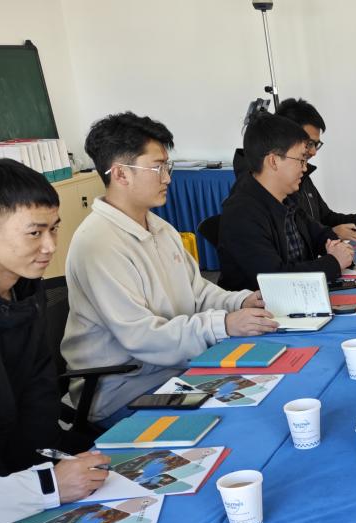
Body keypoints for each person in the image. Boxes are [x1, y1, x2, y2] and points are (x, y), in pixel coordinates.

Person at [62, 112, 278, 422]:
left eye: (167, 166)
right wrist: (223, 325)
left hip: (174, 368)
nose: (167, 178)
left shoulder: (160, 228)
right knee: (240, 417)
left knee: (268, 386)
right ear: (121, 174)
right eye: (157, 167)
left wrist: (241, 301)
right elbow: (142, 337)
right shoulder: (97, 244)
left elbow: (197, 292)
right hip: (124, 389)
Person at [0, 158, 109, 523]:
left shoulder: (26, 291)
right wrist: (45, 486)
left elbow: (39, 389)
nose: (50, 246)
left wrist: (53, 467)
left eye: (54, 229)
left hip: (34, 471)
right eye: (35, 233)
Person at [217, 112, 355, 291]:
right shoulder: (241, 213)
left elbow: (319, 234)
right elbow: (275, 278)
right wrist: (333, 262)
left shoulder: (286, 198)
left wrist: (337, 247)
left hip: (301, 297)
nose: (305, 168)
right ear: (273, 161)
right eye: (301, 160)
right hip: (265, 305)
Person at [232, 98, 356, 241]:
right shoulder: (258, 197)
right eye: (309, 143)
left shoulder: (298, 176)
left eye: (316, 144)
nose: (313, 152)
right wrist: (331, 235)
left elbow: (323, 219)